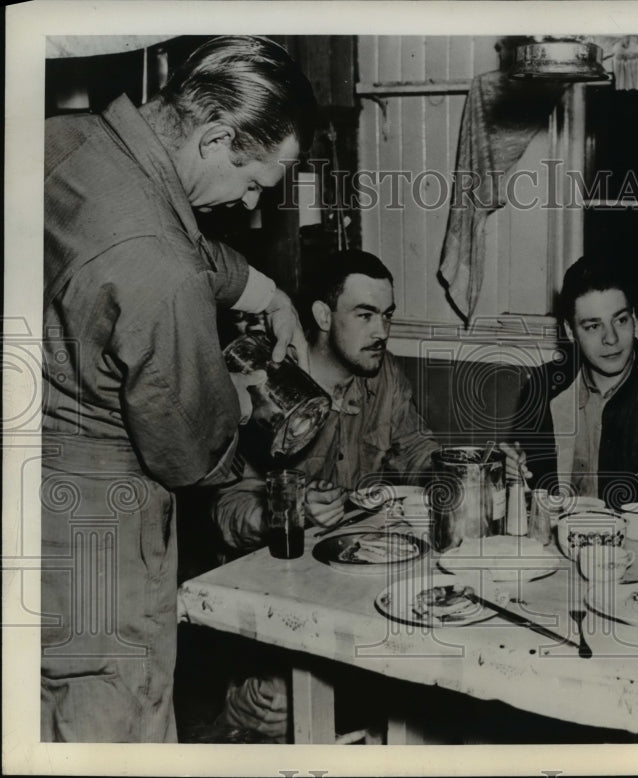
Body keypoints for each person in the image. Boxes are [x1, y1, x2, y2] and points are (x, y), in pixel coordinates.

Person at [41, 36, 317, 742]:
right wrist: (242, 397)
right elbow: (189, 453)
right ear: (216, 138)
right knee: (115, 723)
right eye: (254, 183)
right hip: (99, 536)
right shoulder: (162, 271)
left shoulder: (67, 141)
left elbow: (160, 226)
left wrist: (265, 290)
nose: (250, 206)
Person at [209, 249, 443, 740]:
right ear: (321, 315)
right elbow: (226, 512)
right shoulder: (266, 384)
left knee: (427, 674)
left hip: (353, 588)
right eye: (365, 315)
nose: (381, 331)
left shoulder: (382, 375)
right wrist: (287, 508)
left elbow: (417, 450)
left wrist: (463, 470)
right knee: (278, 707)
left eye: (387, 315)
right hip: (274, 597)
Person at [509, 255, 638, 515]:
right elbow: (530, 496)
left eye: (620, 320)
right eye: (593, 326)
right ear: (570, 331)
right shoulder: (542, 386)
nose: (611, 338)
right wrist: (511, 473)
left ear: (634, 317)